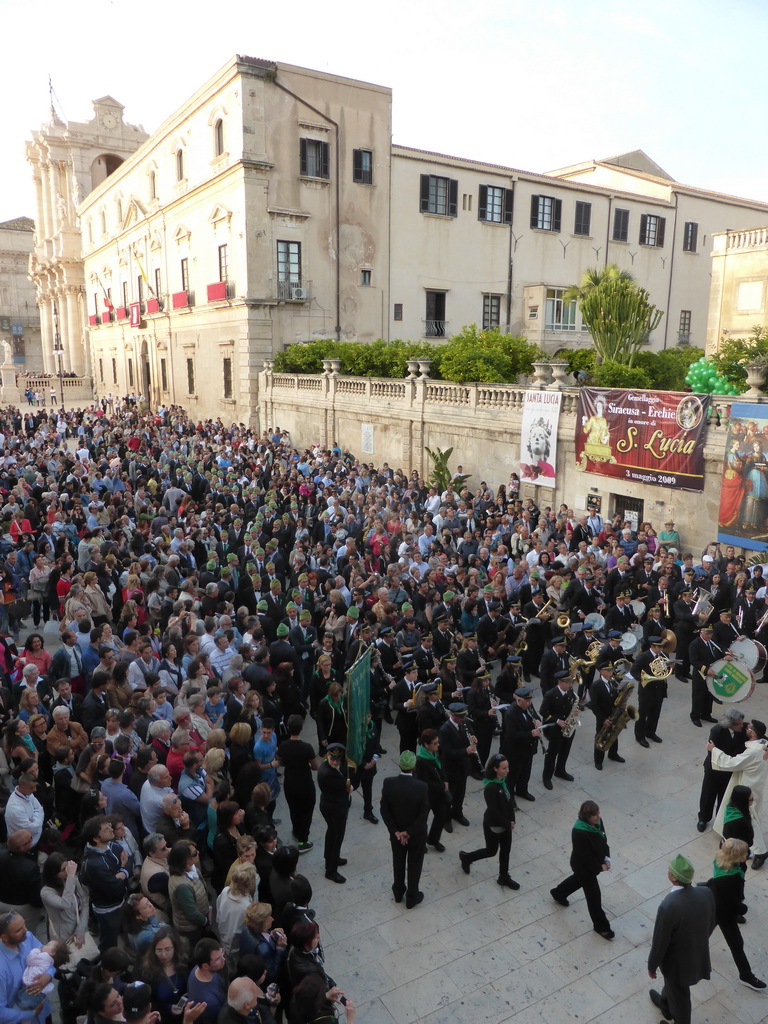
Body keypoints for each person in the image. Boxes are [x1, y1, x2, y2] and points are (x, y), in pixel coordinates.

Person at [647, 854, 717, 1024]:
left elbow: (660, 942)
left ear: (673, 877)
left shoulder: (668, 906)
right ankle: (665, 1003)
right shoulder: (705, 892)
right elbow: (712, 922)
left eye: (669, 870)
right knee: (673, 986)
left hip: (677, 964)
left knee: (680, 995)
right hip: (696, 953)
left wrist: (652, 965)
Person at [704, 838, 765, 990]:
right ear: (737, 857)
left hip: (713, 903)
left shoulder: (720, 859)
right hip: (724, 912)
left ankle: (690, 950)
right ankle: (746, 975)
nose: (748, 855)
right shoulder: (731, 879)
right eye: (745, 853)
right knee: (736, 944)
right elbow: (732, 902)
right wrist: (742, 909)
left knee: (704, 933)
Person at [550, 800, 614, 939]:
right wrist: (599, 867)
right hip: (584, 867)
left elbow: (603, 839)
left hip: (593, 864)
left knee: (577, 881)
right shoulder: (579, 832)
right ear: (586, 817)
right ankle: (602, 927)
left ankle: (558, 893)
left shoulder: (598, 822)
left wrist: (607, 858)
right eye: (594, 815)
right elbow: (584, 856)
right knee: (594, 898)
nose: (598, 817)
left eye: (598, 814)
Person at [711, 719, 768, 868]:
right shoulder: (763, 745)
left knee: (748, 818)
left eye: (749, 728)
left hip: (747, 787)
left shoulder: (753, 752)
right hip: (755, 784)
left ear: (753, 733)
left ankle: (761, 851)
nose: (746, 729)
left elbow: (732, 763)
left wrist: (714, 750)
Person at [459, 753, 519, 889]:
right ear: (495, 769)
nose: (507, 771)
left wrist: (512, 819)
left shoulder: (504, 780)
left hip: (507, 823)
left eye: (507, 767)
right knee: (491, 851)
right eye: (504, 768)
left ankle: (503, 876)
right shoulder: (490, 788)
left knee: (506, 850)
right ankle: (467, 858)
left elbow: (509, 800)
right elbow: (494, 811)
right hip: (494, 824)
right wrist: (507, 823)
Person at [380, 750, 429, 909]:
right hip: (416, 835)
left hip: (396, 836)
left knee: (398, 861)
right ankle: (412, 896)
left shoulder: (389, 783)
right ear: (413, 766)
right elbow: (423, 816)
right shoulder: (422, 787)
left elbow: (384, 810)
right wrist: (408, 832)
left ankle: (398, 892)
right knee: (415, 864)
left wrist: (396, 832)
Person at [696, 708, 746, 832]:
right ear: (731, 725)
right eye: (738, 724)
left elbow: (759, 736)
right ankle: (704, 818)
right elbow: (711, 752)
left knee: (725, 797)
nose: (741, 725)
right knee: (708, 794)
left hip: (731, 770)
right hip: (714, 770)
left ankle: (720, 820)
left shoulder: (743, 729)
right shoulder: (717, 731)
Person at [276, 715, 318, 854]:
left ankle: (296, 830)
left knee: (294, 808)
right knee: (307, 810)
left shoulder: (283, 746)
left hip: (290, 782)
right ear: (301, 728)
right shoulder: (307, 748)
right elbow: (315, 766)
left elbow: (279, 760)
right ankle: (303, 840)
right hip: (305, 783)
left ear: (288, 728)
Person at [0, 911, 53, 1024]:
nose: (26, 930)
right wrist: (30, 1014)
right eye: (19, 930)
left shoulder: (28, 937)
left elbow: (47, 958)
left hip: (44, 1012)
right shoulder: (1, 969)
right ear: (4, 938)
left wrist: (48, 975)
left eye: (24, 925)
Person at [438, 702, 477, 826]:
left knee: (460, 793)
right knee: (450, 795)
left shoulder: (464, 723)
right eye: (460, 717)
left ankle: (457, 813)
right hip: (451, 768)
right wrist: (465, 751)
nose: (463, 719)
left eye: (463, 716)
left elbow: (470, 731)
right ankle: (446, 818)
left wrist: (473, 737)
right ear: (453, 715)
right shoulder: (445, 730)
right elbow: (447, 752)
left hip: (463, 766)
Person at [539, 670, 578, 790]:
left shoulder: (570, 691)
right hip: (555, 729)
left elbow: (571, 704)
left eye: (570, 682)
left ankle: (560, 770)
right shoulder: (550, 694)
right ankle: (547, 777)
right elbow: (543, 711)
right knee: (552, 753)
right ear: (560, 682)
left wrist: (575, 711)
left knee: (565, 750)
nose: (570, 685)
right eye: (567, 682)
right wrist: (557, 721)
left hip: (568, 727)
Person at [317, 742, 351, 883]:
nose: (334, 762)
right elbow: (347, 787)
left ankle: (331, 858)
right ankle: (330, 871)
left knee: (332, 833)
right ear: (327, 756)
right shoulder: (328, 774)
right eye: (332, 758)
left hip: (333, 805)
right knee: (336, 837)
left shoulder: (329, 767)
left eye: (337, 759)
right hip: (334, 809)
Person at [413, 728, 451, 851]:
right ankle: (420, 842)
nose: (438, 745)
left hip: (437, 794)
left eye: (437, 742)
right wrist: (441, 786)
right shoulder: (420, 761)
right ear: (426, 745)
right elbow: (424, 782)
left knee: (441, 815)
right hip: (427, 795)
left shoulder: (434, 752)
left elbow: (441, 768)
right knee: (422, 820)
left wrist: (445, 779)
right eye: (435, 743)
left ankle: (433, 839)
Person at [13, 939, 68, 1013]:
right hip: (34, 991)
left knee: (22, 1006)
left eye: (47, 945)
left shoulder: (29, 938)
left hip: (30, 988)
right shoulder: (48, 958)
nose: (43, 946)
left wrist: (49, 975)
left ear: (52, 952)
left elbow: (30, 960)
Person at [186, 938, 227, 1024]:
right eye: (218, 959)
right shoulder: (207, 1002)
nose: (223, 959)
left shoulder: (197, 968)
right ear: (205, 966)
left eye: (222, 953)